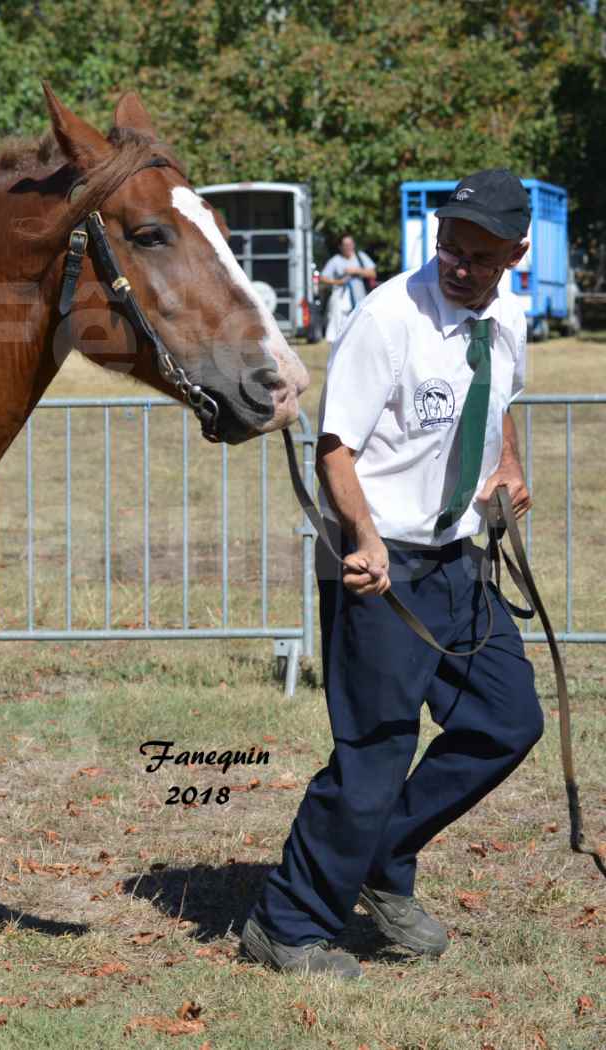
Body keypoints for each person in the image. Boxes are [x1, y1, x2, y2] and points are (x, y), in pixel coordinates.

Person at [242, 169, 541, 978]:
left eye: (479, 255)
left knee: (505, 723)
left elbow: (499, 399)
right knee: (373, 751)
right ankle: (287, 922)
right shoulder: (388, 319)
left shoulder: (505, 316)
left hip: (458, 561)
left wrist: (505, 472)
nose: (459, 265)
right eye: (450, 246)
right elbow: (334, 445)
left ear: (514, 254)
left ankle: (380, 859)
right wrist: (362, 540)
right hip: (381, 563)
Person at [321, 235, 377, 345]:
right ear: (340, 247)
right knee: (340, 322)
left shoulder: (361, 257)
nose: (348, 247)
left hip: (361, 298)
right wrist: (338, 282)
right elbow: (323, 278)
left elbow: (373, 273)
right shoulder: (335, 260)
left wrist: (356, 271)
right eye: (345, 245)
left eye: (350, 244)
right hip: (341, 298)